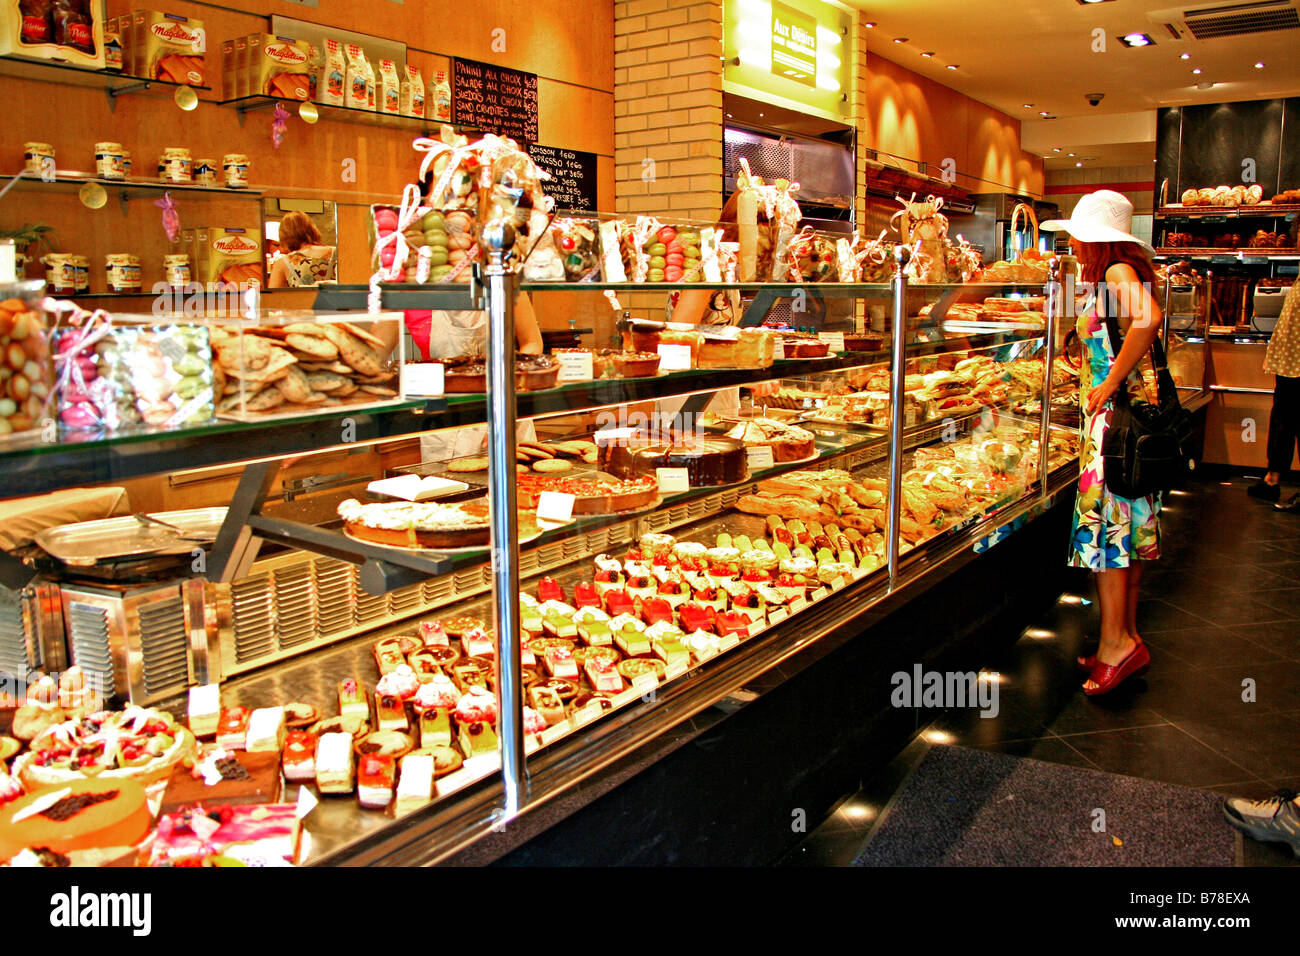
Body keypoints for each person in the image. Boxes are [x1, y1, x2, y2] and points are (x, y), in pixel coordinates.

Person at [1041, 190, 1165, 697]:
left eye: (1077, 234)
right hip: (1128, 426)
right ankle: (1126, 637)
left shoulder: (1116, 274)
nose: (1071, 242)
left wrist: (1109, 381)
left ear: (1096, 239)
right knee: (1128, 534)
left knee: (1108, 536)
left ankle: (1115, 645)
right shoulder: (1112, 275)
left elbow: (1148, 319)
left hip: (1113, 425)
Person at [1247, 217, 1300, 507]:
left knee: (1289, 420)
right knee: (1283, 421)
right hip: (1290, 363)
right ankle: (1272, 478)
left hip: (1296, 363)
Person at [267, 212, 337, 288]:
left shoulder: (282, 263)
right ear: (313, 230)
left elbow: (274, 297)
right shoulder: (335, 252)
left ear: (284, 236)